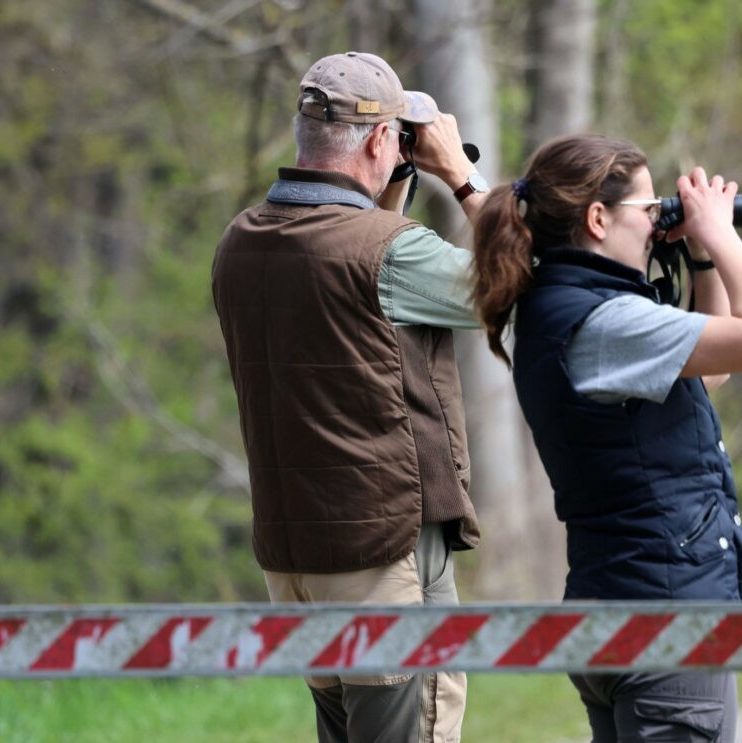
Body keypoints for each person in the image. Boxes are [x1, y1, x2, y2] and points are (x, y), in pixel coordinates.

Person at [471, 134, 742, 742]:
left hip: (618, 601)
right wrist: (722, 232)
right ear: (597, 219)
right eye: (649, 212)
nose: (657, 226)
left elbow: (716, 365)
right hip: (666, 618)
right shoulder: (606, 321)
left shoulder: (561, 305)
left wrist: (700, 256)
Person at [212, 51, 491, 743]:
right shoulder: (390, 250)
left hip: (294, 557)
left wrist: (384, 198)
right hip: (384, 551)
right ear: (378, 141)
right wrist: (459, 174)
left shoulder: (239, 242)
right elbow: (517, 288)